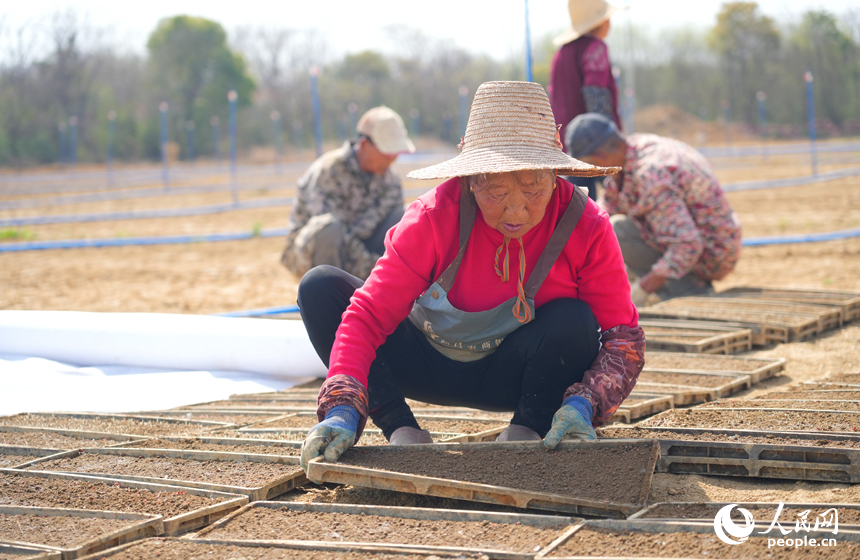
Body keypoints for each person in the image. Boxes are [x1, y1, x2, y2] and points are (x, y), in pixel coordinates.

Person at [297, 81, 646, 472]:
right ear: (472, 178)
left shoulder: (586, 224)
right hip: (424, 361)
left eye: (532, 189)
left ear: (554, 173)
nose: (516, 211)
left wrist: (587, 403)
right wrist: (342, 403)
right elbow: (368, 315)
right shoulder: (433, 217)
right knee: (320, 287)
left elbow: (623, 340)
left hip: (515, 376)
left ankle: (528, 427)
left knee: (574, 321)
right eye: (496, 191)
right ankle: (400, 429)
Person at [564, 113, 743, 306]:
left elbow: (687, 246)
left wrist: (643, 289)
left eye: (591, 165)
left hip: (713, 253)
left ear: (601, 157)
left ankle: (690, 289)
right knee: (607, 226)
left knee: (618, 232)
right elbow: (606, 207)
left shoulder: (651, 177)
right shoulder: (634, 148)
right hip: (704, 238)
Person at [280, 106, 415, 280]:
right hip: (315, 251)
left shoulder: (390, 180)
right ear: (365, 145)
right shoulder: (330, 171)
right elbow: (333, 232)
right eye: (387, 151)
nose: (392, 158)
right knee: (328, 229)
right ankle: (327, 295)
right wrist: (376, 269)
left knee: (404, 217)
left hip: (364, 252)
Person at [548, 0, 626, 201]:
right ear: (600, 23)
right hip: (596, 144)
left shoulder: (561, 54)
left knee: (578, 205)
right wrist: (610, 138)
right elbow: (596, 95)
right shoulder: (595, 48)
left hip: (569, 144)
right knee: (621, 197)